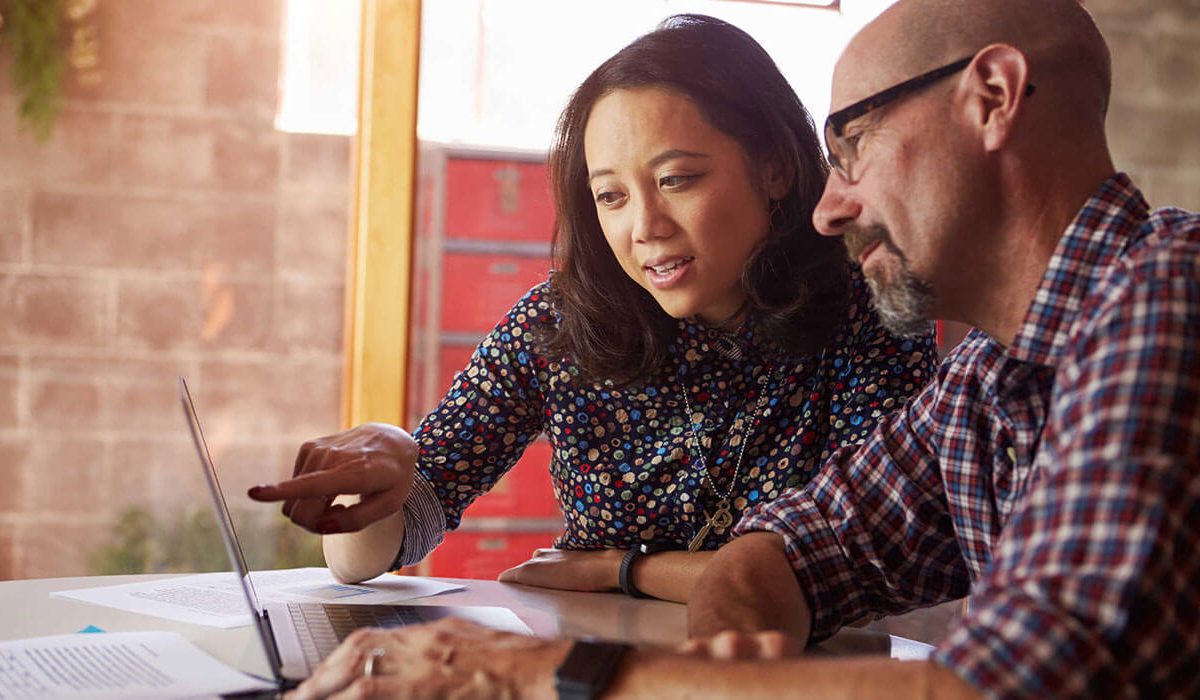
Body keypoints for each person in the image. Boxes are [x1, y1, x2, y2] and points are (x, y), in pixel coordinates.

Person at [281, 0, 1200, 698]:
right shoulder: (986, 377)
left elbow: (1017, 681)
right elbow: (794, 551)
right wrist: (714, 672)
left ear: (992, 98)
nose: (831, 206)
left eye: (854, 144)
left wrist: (548, 669)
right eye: (610, 195)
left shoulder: (1165, 297)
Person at [248, 13, 935, 604]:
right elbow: (368, 558)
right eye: (612, 196)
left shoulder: (867, 310)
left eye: (676, 179)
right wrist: (387, 466)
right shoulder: (561, 322)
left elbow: (864, 561)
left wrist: (623, 571)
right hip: (598, 672)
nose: (645, 227)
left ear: (775, 167)